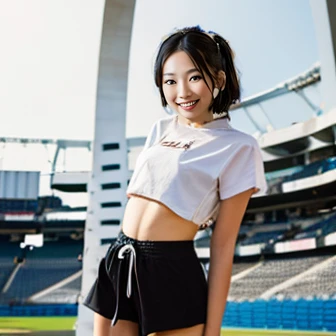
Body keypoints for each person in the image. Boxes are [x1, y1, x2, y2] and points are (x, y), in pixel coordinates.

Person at [84, 25, 267, 336]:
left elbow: (222, 246)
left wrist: (213, 331)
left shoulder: (239, 146)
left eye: (194, 77)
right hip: (120, 259)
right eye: (170, 81)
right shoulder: (160, 128)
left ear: (219, 79)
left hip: (171, 270)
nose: (182, 92)